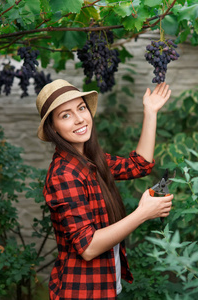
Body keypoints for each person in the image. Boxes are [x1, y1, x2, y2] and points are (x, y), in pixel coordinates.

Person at [36, 79, 173, 300]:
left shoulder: (91, 160)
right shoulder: (64, 175)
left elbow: (139, 165)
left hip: (104, 285)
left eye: (81, 108)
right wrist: (142, 213)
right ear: (53, 128)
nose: (80, 118)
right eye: (66, 115)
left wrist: (150, 111)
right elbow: (87, 247)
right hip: (81, 292)